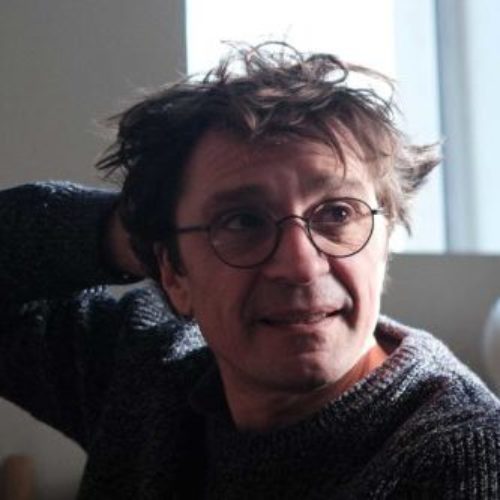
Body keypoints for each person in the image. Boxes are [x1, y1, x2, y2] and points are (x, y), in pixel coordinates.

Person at [1, 42, 499, 499]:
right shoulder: (148, 376)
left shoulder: (462, 456)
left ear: (385, 241)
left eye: (337, 214)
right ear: (172, 274)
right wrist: (144, 233)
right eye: (243, 221)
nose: (300, 266)